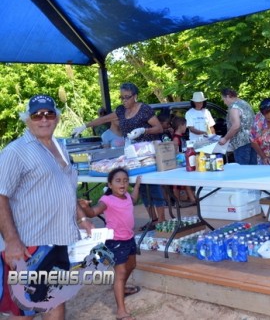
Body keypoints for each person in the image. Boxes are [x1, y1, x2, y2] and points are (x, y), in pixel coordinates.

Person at [0, 94, 94, 319]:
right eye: (37, 115)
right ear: (27, 119)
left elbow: (65, 187)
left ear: (57, 118)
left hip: (59, 240)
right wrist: (11, 241)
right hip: (30, 246)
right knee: (25, 308)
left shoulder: (60, 146)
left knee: (55, 299)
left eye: (49, 114)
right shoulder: (15, 151)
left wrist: (82, 218)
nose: (44, 119)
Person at [72, 82, 166, 230]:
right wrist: (85, 126)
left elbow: (159, 128)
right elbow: (104, 119)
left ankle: (162, 220)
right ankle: (153, 220)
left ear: (135, 96)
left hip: (147, 154)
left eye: (127, 97)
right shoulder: (121, 111)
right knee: (142, 187)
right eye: (121, 97)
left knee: (153, 187)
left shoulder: (144, 109)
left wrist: (143, 130)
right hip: (132, 154)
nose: (124, 100)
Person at [79, 168, 142, 320]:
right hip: (115, 241)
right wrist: (86, 208)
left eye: (125, 181)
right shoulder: (107, 200)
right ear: (110, 184)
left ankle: (122, 287)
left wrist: (137, 185)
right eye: (118, 181)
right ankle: (121, 311)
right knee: (120, 273)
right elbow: (93, 213)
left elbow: (134, 198)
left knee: (132, 265)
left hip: (129, 239)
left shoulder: (127, 196)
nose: (122, 184)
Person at [218, 88, 257, 165]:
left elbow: (236, 125)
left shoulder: (234, 107)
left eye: (224, 100)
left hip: (241, 144)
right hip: (253, 141)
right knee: (252, 168)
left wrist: (225, 138)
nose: (224, 103)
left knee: (241, 169)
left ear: (228, 96)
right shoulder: (245, 104)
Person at [170, 117, 197, 206]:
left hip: (183, 163)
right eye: (185, 125)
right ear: (181, 126)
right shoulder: (176, 138)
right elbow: (175, 151)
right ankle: (177, 202)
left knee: (185, 182)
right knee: (177, 184)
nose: (186, 127)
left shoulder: (180, 137)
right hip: (179, 164)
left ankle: (192, 199)